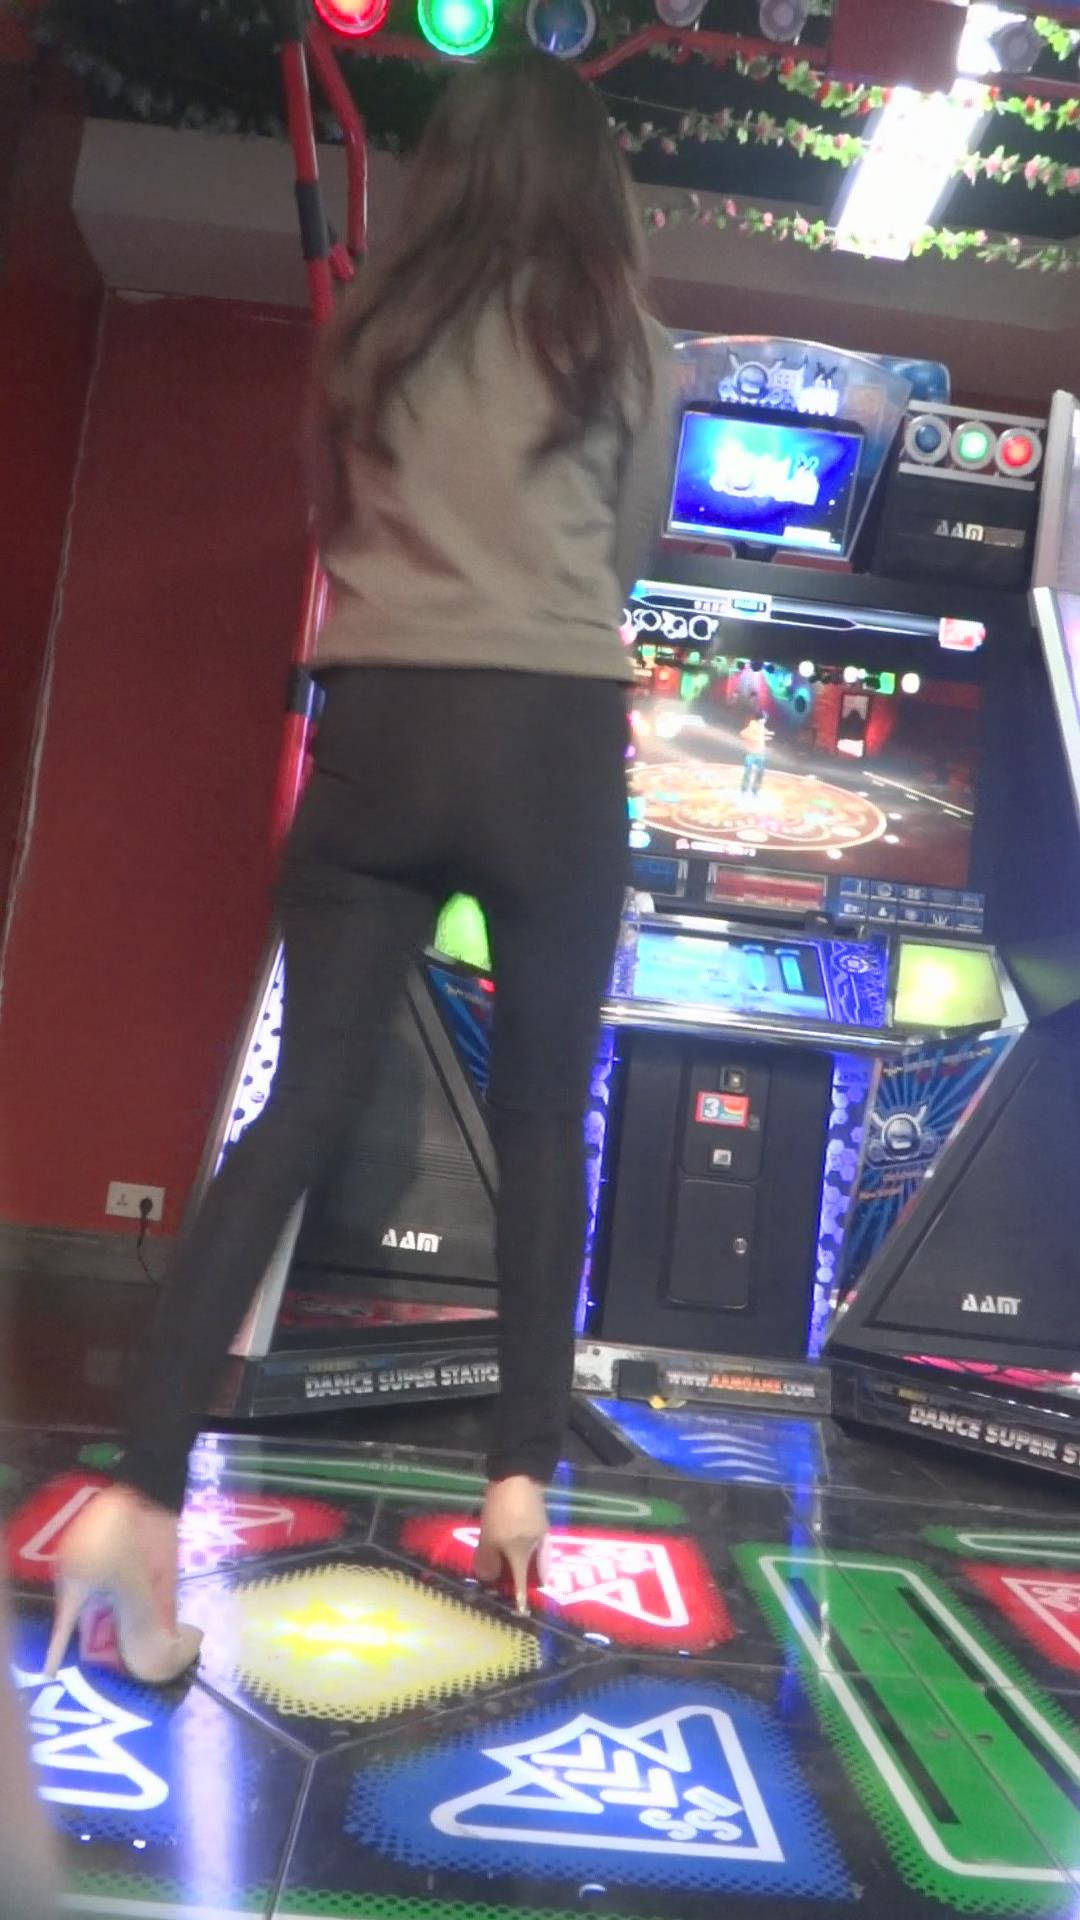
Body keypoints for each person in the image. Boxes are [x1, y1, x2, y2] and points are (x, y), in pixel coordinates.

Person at [46, 49, 677, 1678]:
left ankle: (137, 1493)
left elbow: (343, 540)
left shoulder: (371, 336)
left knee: (296, 1114)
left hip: (379, 735)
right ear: (593, 191)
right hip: (548, 747)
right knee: (541, 1118)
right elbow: (620, 561)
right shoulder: (625, 344)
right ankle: (521, 1482)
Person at [739, 707, 773, 797]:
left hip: (760, 754)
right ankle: (745, 790)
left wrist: (766, 736)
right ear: (760, 719)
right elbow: (743, 734)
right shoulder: (752, 726)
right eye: (764, 719)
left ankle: (755, 790)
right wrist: (752, 740)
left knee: (759, 772)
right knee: (748, 772)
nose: (765, 721)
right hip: (752, 753)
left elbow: (762, 735)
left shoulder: (762, 727)